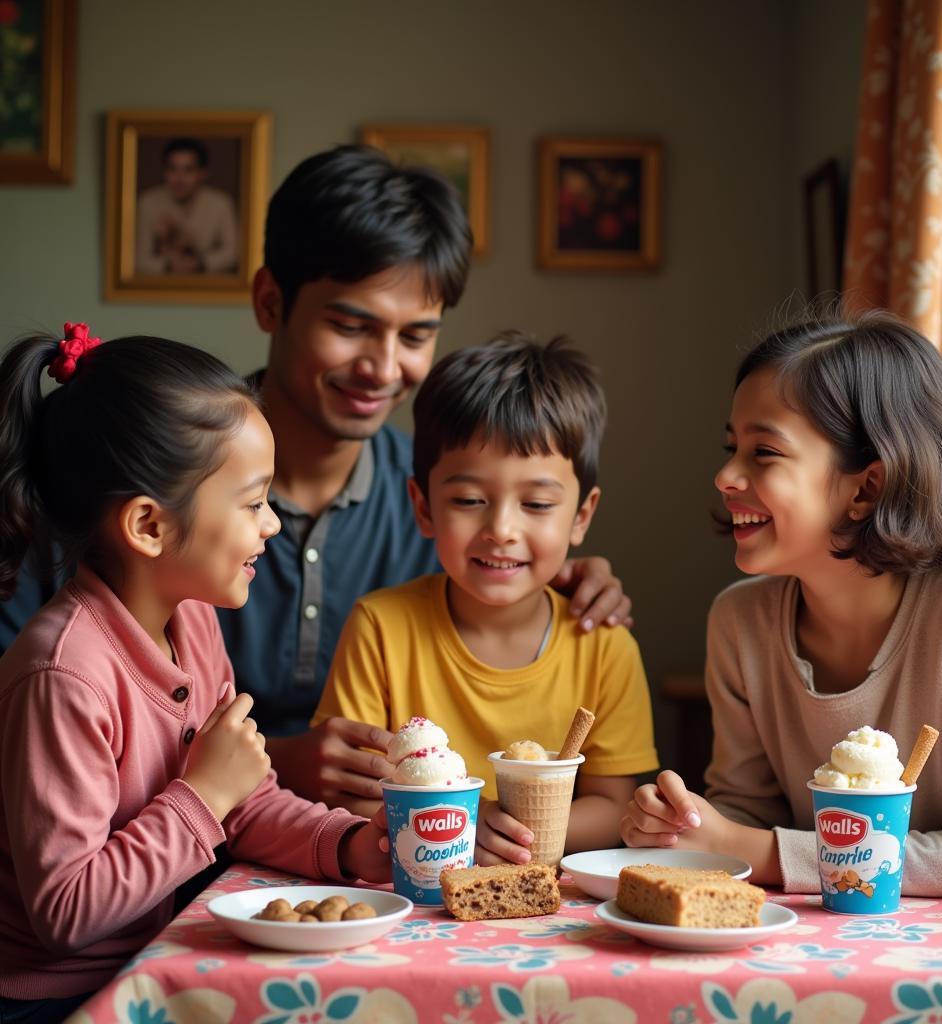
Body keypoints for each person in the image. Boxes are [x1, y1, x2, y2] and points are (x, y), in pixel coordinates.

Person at [0, 146, 631, 810]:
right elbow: (29, 717)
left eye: (415, 336)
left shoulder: (446, 503)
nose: (384, 368)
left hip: (346, 860)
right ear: (271, 301)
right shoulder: (132, 474)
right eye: (350, 326)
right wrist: (272, 759)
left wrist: (556, 590)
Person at [0, 325, 389, 1020]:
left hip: (155, 961)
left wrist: (351, 846)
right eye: (251, 503)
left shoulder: (193, 622)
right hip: (57, 999)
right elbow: (66, 911)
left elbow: (246, 802)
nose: (271, 525)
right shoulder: (64, 674)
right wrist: (202, 794)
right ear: (149, 526)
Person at [620, 311, 942, 917]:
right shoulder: (740, 622)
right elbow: (749, 814)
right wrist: (683, 825)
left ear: (865, 488)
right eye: (732, 448)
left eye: (764, 452)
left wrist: (757, 850)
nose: (725, 476)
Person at [313, 333, 659, 859]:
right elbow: (352, 793)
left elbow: (615, 806)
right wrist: (461, 827)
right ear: (423, 507)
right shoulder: (380, 627)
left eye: (537, 504)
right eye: (470, 499)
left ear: (581, 516)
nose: (501, 528)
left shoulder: (603, 646)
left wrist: (510, 835)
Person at [135, 137, 239, 274]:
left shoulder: (221, 203)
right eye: (172, 169)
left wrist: (201, 264)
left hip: (208, 288)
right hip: (158, 288)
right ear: (164, 172)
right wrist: (167, 266)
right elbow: (135, 258)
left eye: (188, 170)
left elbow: (233, 252)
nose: (179, 178)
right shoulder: (147, 202)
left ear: (202, 174)